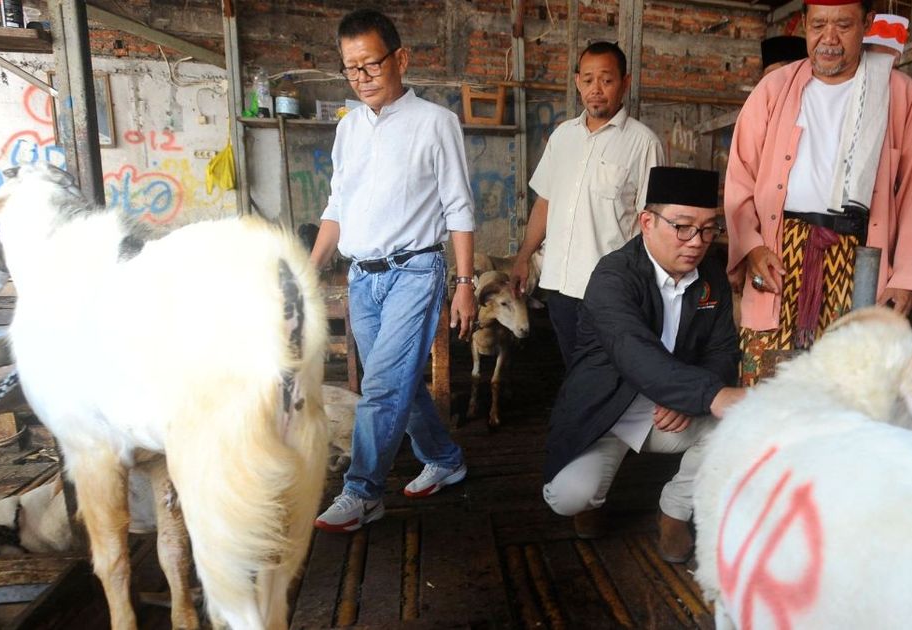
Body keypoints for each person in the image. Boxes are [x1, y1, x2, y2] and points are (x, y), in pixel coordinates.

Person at [309, 8, 476, 532]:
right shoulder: (348, 129)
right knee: (402, 381)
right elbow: (336, 205)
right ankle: (446, 460)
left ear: (400, 58)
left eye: (371, 65)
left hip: (416, 272)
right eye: (351, 69)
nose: (362, 78)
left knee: (381, 385)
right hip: (362, 278)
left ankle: (363, 493)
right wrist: (310, 269)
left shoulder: (436, 122)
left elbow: (459, 206)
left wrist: (466, 283)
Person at [542, 166, 746, 563]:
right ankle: (590, 500)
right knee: (568, 497)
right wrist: (705, 393)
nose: (697, 242)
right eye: (683, 227)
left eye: (708, 229)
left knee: (739, 426)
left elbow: (722, 350)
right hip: (607, 410)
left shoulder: (711, 276)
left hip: (670, 407)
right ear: (647, 222)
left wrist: (691, 397)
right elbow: (632, 352)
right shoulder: (613, 276)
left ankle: (675, 510)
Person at [726, 0, 912, 386]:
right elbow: (740, 177)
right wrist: (752, 248)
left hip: (861, 255)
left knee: (846, 385)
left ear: (867, 23)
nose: (829, 39)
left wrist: (905, 275)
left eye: (843, 25)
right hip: (778, 252)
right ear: (803, 23)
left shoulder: (898, 93)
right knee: (767, 383)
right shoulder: (774, 88)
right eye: (818, 25)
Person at [510, 41, 664, 371]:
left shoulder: (643, 143)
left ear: (625, 83)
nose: (596, 89)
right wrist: (523, 257)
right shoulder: (563, 137)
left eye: (607, 80)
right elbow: (545, 203)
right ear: (578, 81)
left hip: (612, 290)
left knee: (611, 372)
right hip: (561, 286)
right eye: (589, 79)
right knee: (575, 370)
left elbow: (654, 223)